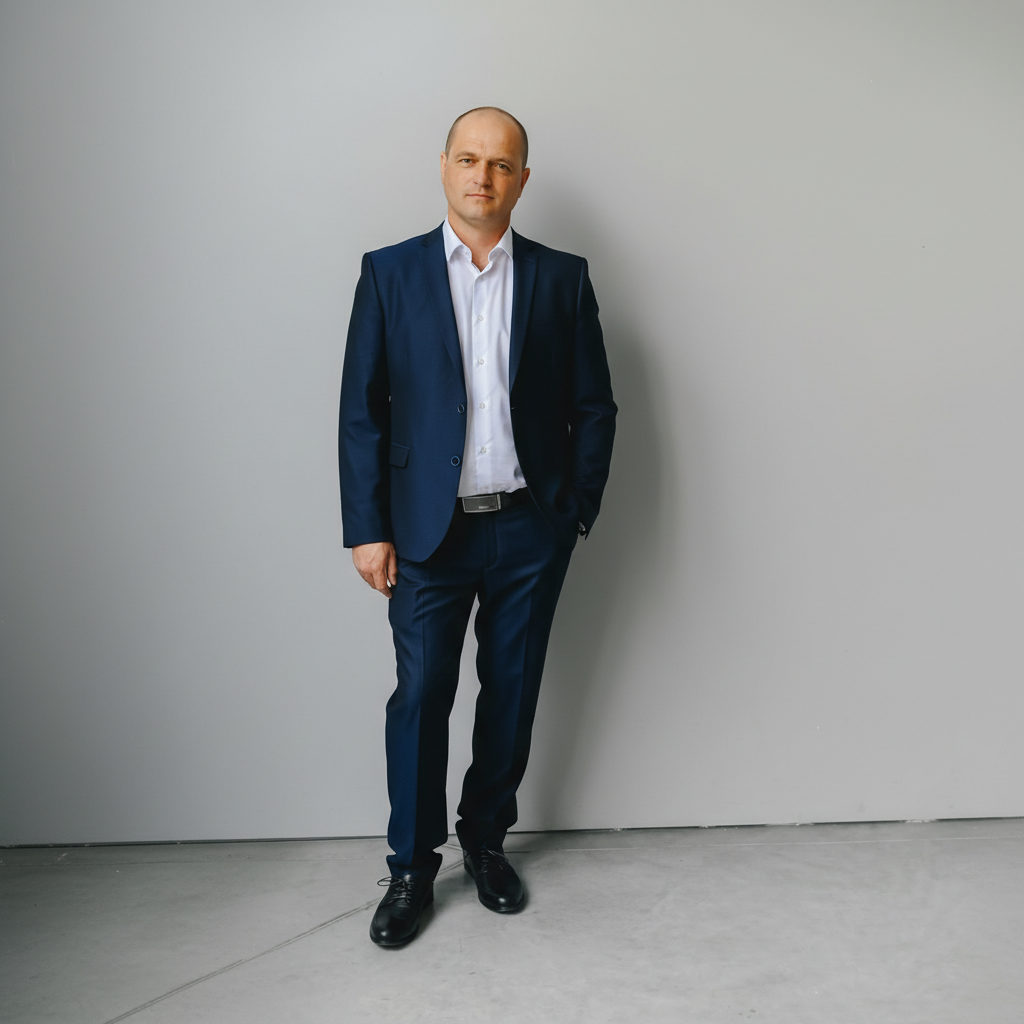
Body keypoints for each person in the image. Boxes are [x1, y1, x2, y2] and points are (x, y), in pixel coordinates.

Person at [339, 106, 616, 947]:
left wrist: (574, 512)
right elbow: (362, 411)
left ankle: (486, 842)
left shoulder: (562, 278)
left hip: (530, 528)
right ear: (444, 166)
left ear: (522, 179)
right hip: (427, 534)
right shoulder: (389, 273)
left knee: (513, 690)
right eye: (468, 159)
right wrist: (367, 528)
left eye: (500, 164)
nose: (482, 176)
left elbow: (594, 405)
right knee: (423, 695)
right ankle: (411, 868)